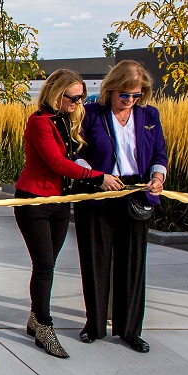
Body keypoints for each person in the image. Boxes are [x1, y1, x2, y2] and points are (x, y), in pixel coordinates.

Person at [13, 69, 119, 358]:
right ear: (56, 94)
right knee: (44, 263)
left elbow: (77, 155)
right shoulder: (40, 122)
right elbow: (57, 163)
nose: (78, 102)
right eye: (73, 97)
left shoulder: (68, 120)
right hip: (34, 199)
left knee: (48, 265)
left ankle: (36, 317)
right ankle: (44, 326)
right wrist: (98, 177)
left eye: (82, 97)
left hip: (60, 201)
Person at [75, 60, 168, 353]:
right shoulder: (91, 114)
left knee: (132, 263)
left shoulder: (149, 115)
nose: (129, 101)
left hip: (136, 193)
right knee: (95, 259)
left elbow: (159, 154)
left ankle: (130, 330)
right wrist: (96, 177)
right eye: (124, 95)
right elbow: (74, 155)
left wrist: (157, 176)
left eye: (136, 95)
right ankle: (95, 324)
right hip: (99, 191)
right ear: (110, 90)